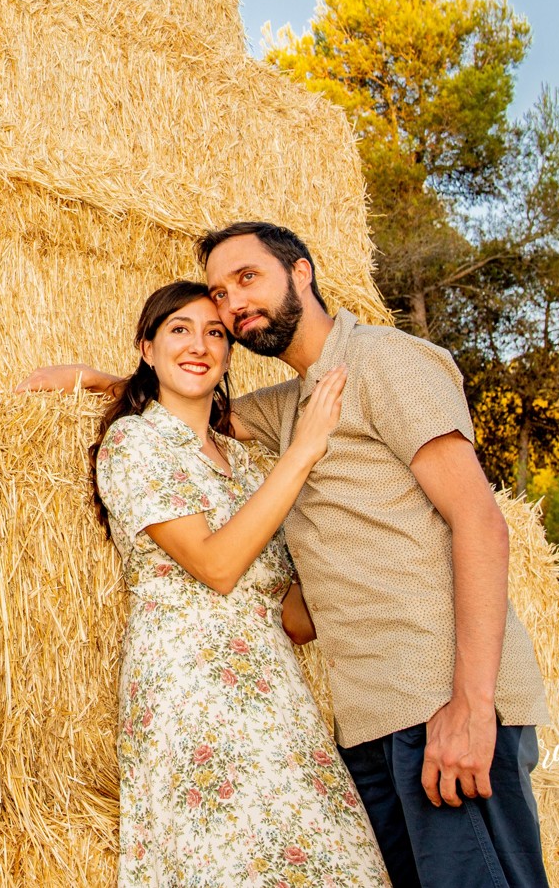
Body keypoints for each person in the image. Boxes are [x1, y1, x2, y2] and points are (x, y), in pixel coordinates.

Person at [25, 222, 552, 888]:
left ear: (301, 271)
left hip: (441, 697)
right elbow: (196, 415)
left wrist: (473, 702)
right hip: (368, 720)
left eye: (248, 279)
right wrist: (104, 381)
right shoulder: (292, 404)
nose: (233, 305)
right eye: (221, 293)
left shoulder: (385, 360)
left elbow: (480, 520)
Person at [73, 279, 386, 888]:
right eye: (179, 330)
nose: (199, 345)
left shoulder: (244, 463)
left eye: (215, 332)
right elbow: (216, 567)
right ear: (146, 347)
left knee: (331, 861)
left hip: (276, 692)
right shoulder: (135, 441)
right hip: (193, 691)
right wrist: (303, 452)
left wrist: (361, 535)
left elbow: (294, 619)